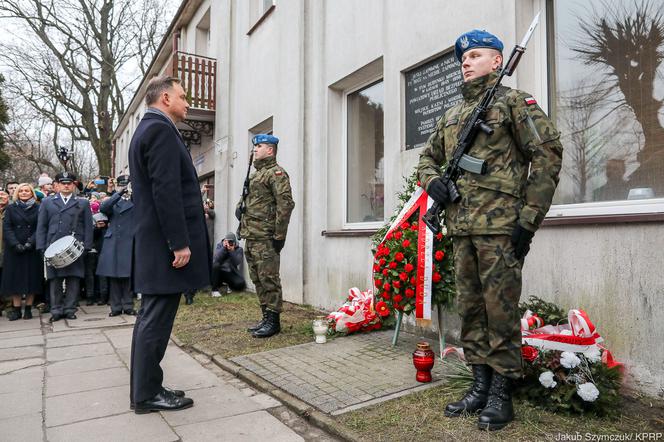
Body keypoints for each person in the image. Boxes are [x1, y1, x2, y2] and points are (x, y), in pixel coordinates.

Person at [417, 30, 563, 431]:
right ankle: (479, 384)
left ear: (498, 61)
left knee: (500, 310)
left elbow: (547, 154)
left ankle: (502, 392)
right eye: (463, 58)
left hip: (501, 228)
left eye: (476, 55)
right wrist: (434, 183)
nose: (466, 62)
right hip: (461, 227)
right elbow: (427, 160)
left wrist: (529, 219)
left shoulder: (514, 103)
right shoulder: (451, 117)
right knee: (470, 308)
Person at [128, 76, 210, 414]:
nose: (187, 102)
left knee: (152, 316)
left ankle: (147, 386)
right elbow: (166, 192)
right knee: (156, 319)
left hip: (154, 240)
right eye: (182, 96)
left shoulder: (149, 129)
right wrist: (178, 243)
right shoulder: (160, 131)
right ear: (165, 98)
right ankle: (146, 395)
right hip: (165, 245)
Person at [236, 134, 295, 338]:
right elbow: (254, 202)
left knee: (269, 279)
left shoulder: (276, 173)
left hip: (266, 237)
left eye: (259, 146)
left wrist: (279, 236)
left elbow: (285, 205)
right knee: (258, 280)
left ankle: (274, 321)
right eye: (255, 146)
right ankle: (265, 317)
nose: (255, 149)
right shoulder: (256, 175)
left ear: (270, 150)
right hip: (251, 236)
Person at [36, 172, 93, 322]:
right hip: (53, 245)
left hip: (75, 246)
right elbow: (42, 226)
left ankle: (69, 309)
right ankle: (56, 310)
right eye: (63, 183)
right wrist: (41, 246)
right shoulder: (47, 202)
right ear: (57, 185)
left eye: (69, 183)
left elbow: (88, 226)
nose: (66, 185)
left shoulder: (83, 203)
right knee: (54, 280)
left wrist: (86, 246)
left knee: (73, 279)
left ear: (73, 185)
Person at [1, 184, 43, 320]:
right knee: (15, 279)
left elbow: (40, 227)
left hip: (31, 247)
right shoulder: (11, 208)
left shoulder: (38, 207)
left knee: (32, 278)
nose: (24, 193)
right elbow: (7, 228)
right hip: (14, 249)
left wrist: (31, 242)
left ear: (32, 193)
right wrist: (15, 244)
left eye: (27, 191)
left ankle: (29, 309)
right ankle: (17, 308)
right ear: (17, 194)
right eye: (21, 191)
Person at [96, 182, 136, 316]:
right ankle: (116, 307)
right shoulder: (113, 201)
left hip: (129, 240)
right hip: (113, 242)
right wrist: (117, 194)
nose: (125, 189)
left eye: (126, 185)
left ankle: (128, 305)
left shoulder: (134, 200)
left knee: (128, 275)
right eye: (122, 185)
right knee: (113, 276)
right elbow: (103, 208)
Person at [211, 232, 246, 297]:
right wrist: (224, 248)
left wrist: (231, 251)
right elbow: (216, 258)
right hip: (219, 273)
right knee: (215, 265)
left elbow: (236, 262)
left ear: (235, 242)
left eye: (231, 242)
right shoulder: (220, 246)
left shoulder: (239, 249)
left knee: (240, 283)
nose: (229, 243)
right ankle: (214, 290)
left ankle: (227, 286)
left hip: (230, 272)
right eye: (228, 241)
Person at [0, 190, 9, 317]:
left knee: (7, 277)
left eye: (3, 196)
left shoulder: (11, 210)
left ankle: (9, 305)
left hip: (7, 249)